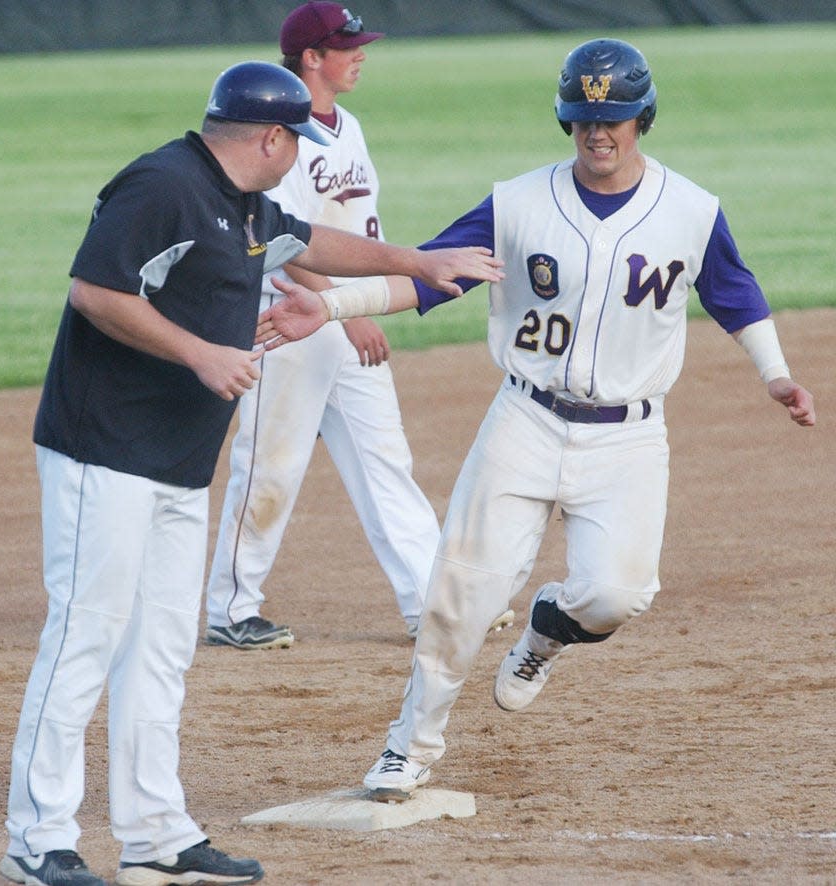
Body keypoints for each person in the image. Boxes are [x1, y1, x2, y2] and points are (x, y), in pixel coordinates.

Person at [255, 37, 817, 801]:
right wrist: (328, 304)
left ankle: (548, 628)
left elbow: (735, 294)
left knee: (618, 595)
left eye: (613, 117)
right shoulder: (518, 203)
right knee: (458, 596)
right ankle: (409, 747)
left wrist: (776, 374)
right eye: (583, 116)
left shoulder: (690, 210)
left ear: (642, 118)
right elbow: (427, 277)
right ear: (566, 120)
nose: (598, 131)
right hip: (525, 421)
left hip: (630, 436)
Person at [0, 60, 502, 886]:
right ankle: (37, 839)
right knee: (85, 635)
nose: (299, 154)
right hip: (105, 451)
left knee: (160, 648)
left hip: (175, 459)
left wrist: (415, 260)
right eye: (295, 141)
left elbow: (311, 243)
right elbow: (95, 291)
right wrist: (200, 352)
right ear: (270, 137)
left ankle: (156, 834)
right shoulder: (162, 184)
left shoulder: (239, 201)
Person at [205, 2, 513, 651]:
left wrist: (358, 308)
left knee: (386, 462)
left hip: (346, 315)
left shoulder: (350, 126)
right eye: (347, 46)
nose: (360, 54)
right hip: (285, 316)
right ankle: (231, 610)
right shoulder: (276, 134)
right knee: (270, 466)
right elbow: (280, 240)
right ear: (310, 57)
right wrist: (349, 317)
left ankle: (430, 604)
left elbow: (355, 228)